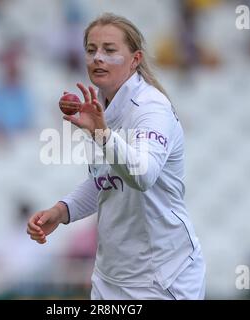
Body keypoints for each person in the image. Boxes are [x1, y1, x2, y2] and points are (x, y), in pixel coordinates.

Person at [27, 13, 206, 300]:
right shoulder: (101, 107)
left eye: (109, 50)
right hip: (110, 277)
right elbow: (106, 180)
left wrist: (102, 135)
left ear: (135, 60)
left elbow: (142, 176)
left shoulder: (151, 108)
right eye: (91, 50)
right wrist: (61, 211)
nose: (98, 57)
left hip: (163, 277)